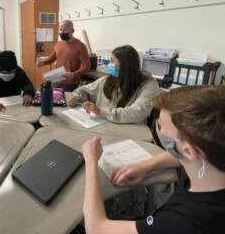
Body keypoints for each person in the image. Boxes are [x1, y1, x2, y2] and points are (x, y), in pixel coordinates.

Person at [82, 85, 225, 234]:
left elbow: (96, 228)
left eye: (161, 125)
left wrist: (91, 160)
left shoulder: (183, 221)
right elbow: (191, 154)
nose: (158, 127)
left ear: (188, 150)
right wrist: (147, 165)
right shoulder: (211, 159)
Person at [68, 45, 161, 124]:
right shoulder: (109, 78)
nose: (109, 64)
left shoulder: (148, 85)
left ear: (125, 65)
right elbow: (85, 90)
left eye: (112, 61)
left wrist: (101, 112)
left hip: (130, 129)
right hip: (102, 124)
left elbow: (137, 112)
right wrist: (76, 96)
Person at [36, 20, 90, 92]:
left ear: (72, 31)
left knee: (63, 102)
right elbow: (51, 59)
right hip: (56, 79)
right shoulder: (58, 44)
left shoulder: (80, 46)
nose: (62, 32)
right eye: (61, 30)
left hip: (70, 84)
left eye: (65, 30)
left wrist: (74, 74)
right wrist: (42, 62)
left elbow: (87, 66)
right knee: (50, 98)